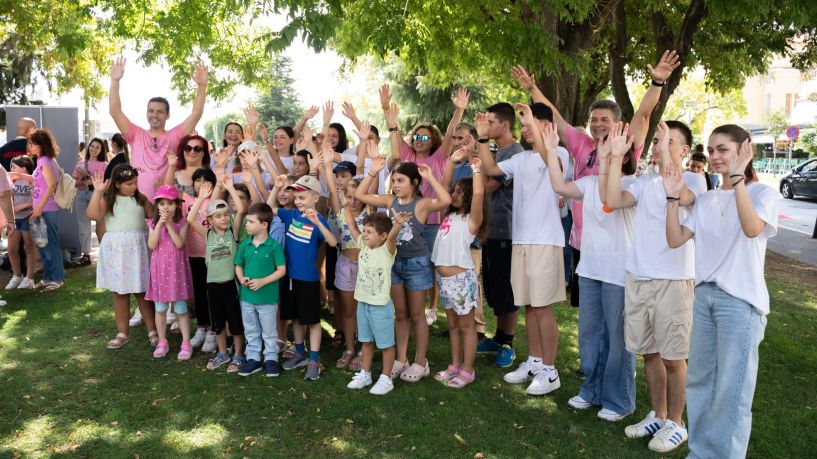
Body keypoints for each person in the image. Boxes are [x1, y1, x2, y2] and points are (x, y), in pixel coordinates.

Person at [511, 50, 680, 308]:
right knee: (589, 316)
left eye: (604, 120)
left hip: (617, 246)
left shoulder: (626, 141)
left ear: (618, 123)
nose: (598, 124)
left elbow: (644, 113)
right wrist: (533, 88)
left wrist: (657, 83)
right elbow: (554, 116)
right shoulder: (581, 143)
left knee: (615, 315)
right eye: (593, 120)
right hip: (584, 243)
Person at [664, 125, 777, 459]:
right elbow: (674, 239)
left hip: (740, 305)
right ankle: (700, 452)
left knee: (732, 390)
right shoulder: (707, 199)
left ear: (745, 150)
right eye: (711, 150)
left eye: (723, 149)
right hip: (704, 299)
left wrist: (738, 180)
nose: (714, 157)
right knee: (699, 383)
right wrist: (672, 197)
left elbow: (751, 228)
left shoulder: (763, 194)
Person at [605, 120, 707, 453]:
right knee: (649, 352)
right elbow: (611, 199)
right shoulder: (643, 182)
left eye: (668, 140)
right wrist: (614, 160)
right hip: (638, 276)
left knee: (674, 356)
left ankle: (676, 423)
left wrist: (667, 160)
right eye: (657, 140)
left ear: (684, 150)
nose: (658, 145)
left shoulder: (695, 180)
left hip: (674, 281)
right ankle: (658, 414)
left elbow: (682, 195)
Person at [545, 123, 638, 421]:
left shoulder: (633, 184)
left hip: (619, 274)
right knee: (590, 337)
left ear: (625, 153)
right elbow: (560, 186)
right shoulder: (587, 183)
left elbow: (611, 201)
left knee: (617, 341)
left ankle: (618, 400)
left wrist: (612, 160)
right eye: (602, 144)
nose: (603, 147)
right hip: (590, 270)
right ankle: (592, 390)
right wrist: (549, 150)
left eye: (611, 143)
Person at [478, 103, 569, 396]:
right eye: (523, 124)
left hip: (545, 241)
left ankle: (550, 371)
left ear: (547, 127)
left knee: (542, 307)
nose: (524, 129)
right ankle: (534, 361)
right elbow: (490, 169)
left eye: (529, 124)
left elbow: (549, 157)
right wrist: (481, 139)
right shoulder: (522, 159)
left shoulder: (557, 153)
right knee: (530, 304)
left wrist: (534, 122)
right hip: (521, 241)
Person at [355, 158, 451, 383]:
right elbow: (360, 195)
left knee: (417, 315)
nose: (396, 185)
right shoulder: (391, 201)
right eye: (394, 180)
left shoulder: (422, 203)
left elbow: (445, 200)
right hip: (394, 264)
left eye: (401, 180)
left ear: (414, 183)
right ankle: (401, 359)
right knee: (401, 314)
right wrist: (374, 172)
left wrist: (429, 178)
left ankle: (421, 362)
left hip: (417, 264)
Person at [382, 87, 469, 326]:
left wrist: (458, 111)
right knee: (407, 264)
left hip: (431, 222)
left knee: (431, 265)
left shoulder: (440, 155)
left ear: (433, 140)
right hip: (406, 221)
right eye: (417, 137)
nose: (420, 141)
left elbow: (451, 133)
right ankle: (409, 309)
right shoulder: (408, 154)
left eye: (425, 137)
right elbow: (394, 131)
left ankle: (432, 307)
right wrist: (386, 108)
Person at [108, 56, 208, 200]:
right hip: (139, 203)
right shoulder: (136, 134)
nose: (154, 115)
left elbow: (196, 114)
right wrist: (114, 81)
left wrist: (202, 86)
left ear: (167, 115)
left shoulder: (176, 135)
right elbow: (115, 112)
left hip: (167, 204)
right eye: (151, 111)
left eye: (160, 111)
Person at [270, 174, 338, 380]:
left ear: (315, 198)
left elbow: (333, 243)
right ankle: (300, 351)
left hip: (308, 279)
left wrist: (317, 221)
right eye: (296, 196)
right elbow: (266, 209)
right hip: (289, 277)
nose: (298, 200)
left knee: (312, 320)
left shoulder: (319, 220)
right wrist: (276, 188)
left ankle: (314, 359)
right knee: (296, 317)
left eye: (303, 197)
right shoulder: (290, 215)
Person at [472, 102, 525, 368]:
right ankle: (498, 336)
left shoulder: (514, 152)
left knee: (508, 289)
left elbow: (489, 185)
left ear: (505, 124)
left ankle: (507, 342)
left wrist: (475, 168)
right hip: (491, 230)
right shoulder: (499, 151)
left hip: (507, 230)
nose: (486, 126)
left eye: (491, 122)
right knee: (495, 286)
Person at [431, 149, 486, 389]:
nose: (454, 195)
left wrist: (476, 170)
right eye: (454, 191)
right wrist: (452, 162)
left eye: (460, 193)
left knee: (466, 326)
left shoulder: (471, 221)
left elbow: (479, 193)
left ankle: (468, 369)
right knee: (452, 325)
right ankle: (454, 365)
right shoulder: (448, 215)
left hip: (461, 280)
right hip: (444, 281)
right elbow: (443, 185)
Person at [88, 165, 158, 349]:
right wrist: (97, 192)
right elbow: (93, 214)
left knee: (142, 291)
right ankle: (122, 332)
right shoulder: (108, 200)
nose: (134, 186)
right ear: (117, 184)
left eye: (135, 183)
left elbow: (153, 218)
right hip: (117, 251)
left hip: (137, 250)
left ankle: (152, 330)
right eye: (129, 184)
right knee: (119, 292)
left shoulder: (140, 199)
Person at [188, 180, 247, 372]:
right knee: (218, 323)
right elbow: (190, 219)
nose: (223, 218)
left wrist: (229, 188)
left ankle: (238, 354)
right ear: (210, 220)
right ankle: (222, 353)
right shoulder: (208, 235)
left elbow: (239, 210)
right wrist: (202, 198)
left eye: (225, 215)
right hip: (213, 286)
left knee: (235, 323)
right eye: (218, 216)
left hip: (231, 285)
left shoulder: (233, 232)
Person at [345, 211, 406, 395]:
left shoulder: (387, 250)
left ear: (383, 236)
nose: (364, 234)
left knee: (386, 345)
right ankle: (366, 373)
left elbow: (393, 235)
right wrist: (346, 206)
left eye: (369, 232)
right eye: (365, 230)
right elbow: (352, 226)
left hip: (380, 307)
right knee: (366, 341)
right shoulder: (363, 246)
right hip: (363, 303)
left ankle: (386, 379)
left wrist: (398, 223)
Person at [324, 149, 371, 371]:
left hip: (365, 267)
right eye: (348, 196)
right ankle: (350, 348)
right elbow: (333, 189)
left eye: (356, 196)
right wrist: (325, 165)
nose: (352, 200)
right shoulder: (341, 212)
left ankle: (364, 348)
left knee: (364, 309)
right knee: (349, 310)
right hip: (344, 264)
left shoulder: (371, 214)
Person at [234, 203, 287, 377]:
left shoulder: (273, 246)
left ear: (264, 224)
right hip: (247, 298)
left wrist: (263, 281)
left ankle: (271, 359)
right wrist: (241, 278)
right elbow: (238, 265)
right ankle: (254, 359)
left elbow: (281, 270)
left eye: (250, 221)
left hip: (267, 299)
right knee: (251, 329)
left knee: (269, 331)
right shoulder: (245, 245)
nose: (246, 224)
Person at [146, 185, 194, 360]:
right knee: (160, 309)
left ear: (177, 205)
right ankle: (162, 341)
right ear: (157, 206)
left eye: (170, 203)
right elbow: (152, 245)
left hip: (176, 271)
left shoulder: (182, 222)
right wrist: (159, 224)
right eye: (162, 204)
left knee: (181, 308)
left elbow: (179, 243)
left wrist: (169, 225)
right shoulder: (152, 223)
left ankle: (186, 342)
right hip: (159, 271)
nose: (166, 207)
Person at [27, 129, 64, 292]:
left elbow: (52, 186)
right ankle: (48, 277)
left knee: (50, 245)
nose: (30, 146)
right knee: (43, 244)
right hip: (43, 209)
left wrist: (39, 208)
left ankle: (56, 278)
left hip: (47, 209)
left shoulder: (44, 161)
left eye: (33, 144)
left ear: (41, 145)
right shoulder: (45, 160)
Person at [73, 137, 109, 266]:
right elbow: (74, 183)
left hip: (98, 195)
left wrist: (87, 175)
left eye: (97, 147)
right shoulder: (81, 164)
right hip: (82, 195)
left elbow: (106, 184)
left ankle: (106, 252)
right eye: (92, 146)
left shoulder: (105, 165)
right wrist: (83, 181)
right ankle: (86, 255)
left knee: (101, 224)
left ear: (101, 150)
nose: (94, 149)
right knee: (83, 225)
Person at [6, 156, 37, 290]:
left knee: (29, 247)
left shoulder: (32, 181)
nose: (11, 170)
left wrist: (22, 206)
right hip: (13, 219)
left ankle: (29, 278)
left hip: (27, 217)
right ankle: (17, 275)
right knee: (11, 249)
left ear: (24, 168)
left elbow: (36, 199)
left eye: (14, 167)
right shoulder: (11, 181)